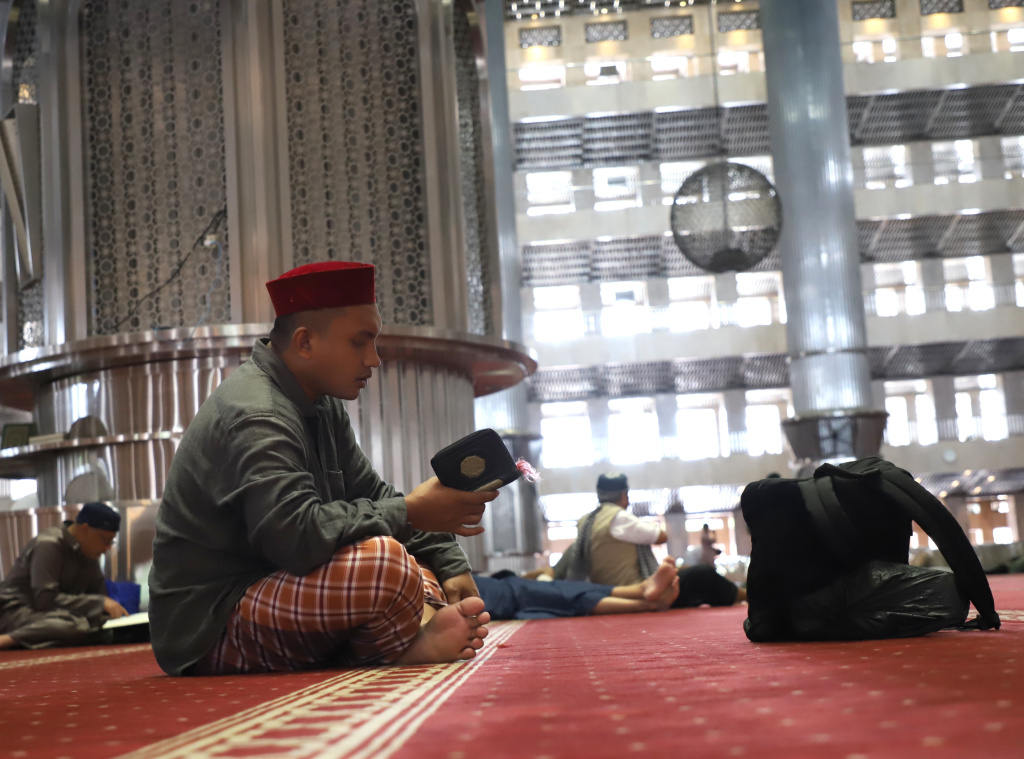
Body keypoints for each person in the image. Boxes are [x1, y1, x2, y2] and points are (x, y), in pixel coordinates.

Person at [148, 261, 498, 676]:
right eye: (359, 342)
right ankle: (397, 644)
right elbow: (296, 538)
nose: (374, 359)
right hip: (210, 623)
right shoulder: (258, 413)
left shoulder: (321, 403)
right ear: (305, 342)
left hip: (283, 585)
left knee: (415, 563)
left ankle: (408, 630)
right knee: (385, 564)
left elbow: (371, 495)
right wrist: (411, 512)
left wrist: (448, 557)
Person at [0, 502, 129, 650]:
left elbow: (97, 596)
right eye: (105, 540)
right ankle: (9, 639)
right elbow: (45, 600)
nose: (107, 548)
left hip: (58, 614)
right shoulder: (49, 544)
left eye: (111, 542)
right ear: (85, 528)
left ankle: (38, 638)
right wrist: (98, 603)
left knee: (102, 624)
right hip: (18, 611)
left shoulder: (89, 552)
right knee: (72, 626)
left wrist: (103, 608)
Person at [476, 557, 680, 620]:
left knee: (563, 588)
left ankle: (640, 591)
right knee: (561, 596)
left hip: (502, 586)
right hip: (504, 594)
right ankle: (645, 602)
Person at [566, 473, 666, 587]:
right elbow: (661, 537)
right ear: (624, 496)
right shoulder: (620, 517)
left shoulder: (585, 521)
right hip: (631, 589)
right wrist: (652, 524)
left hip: (601, 590)